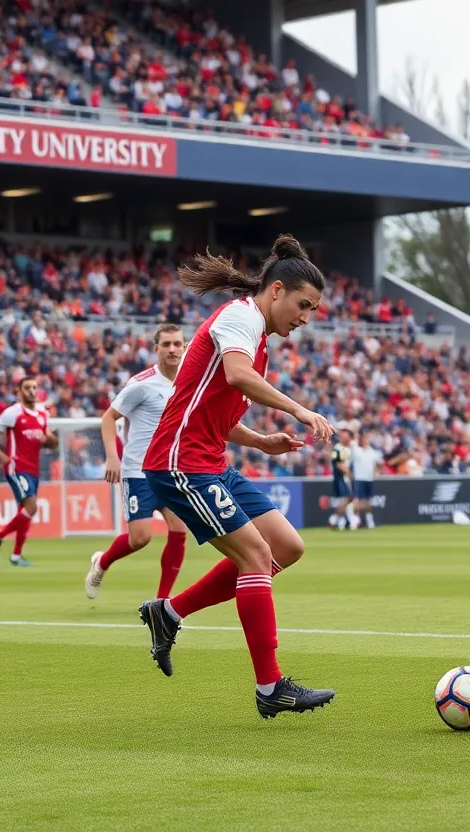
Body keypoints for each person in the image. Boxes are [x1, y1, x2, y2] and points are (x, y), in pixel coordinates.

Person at [138, 235, 337, 719]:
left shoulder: (256, 337)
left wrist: (262, 441)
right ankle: (271, 688)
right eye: (303, 305)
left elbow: (220, 414)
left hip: (211, 463)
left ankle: (168, 612)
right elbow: (237, 377)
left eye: (313, 309)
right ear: (275, 291)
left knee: (287, 547)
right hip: (179, 463)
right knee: (256, 556)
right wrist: (296, 409)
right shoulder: (241, 317)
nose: (306, 318)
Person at [86, 324, 190, 600]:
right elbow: (109, 418)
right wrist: (112, 457)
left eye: (177, 344)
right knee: (140, 538)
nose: (172, 349)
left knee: (180, 529)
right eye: (166, 344)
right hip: (139, 472)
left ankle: (161, 601)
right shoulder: (141, 383)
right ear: (156, 349)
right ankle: (102, 562)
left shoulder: (191, 380)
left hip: (171, 471)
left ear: (185, 347)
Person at [0, 376, 57, 566]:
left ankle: (16, 555)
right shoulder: (12, 413)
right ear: (19, 391)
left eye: (34, 387)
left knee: (24, 511)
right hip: (16, 467)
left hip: (34, 469)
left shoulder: (43, 414)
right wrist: (1, 456)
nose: (32, 391)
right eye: (27, 388)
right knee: (31, 508)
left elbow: (53, 443)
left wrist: (48, 440)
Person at [350, 432, 382, 528]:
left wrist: (376, 472)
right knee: (357, 501)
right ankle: (355, 520)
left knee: (368, 501)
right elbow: (352, 444)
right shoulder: (356, 450)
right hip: (359, 479)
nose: (366, 440)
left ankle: (369, 520)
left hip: (369, 479)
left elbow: (380, 463)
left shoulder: (372, 452)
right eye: (364, 438)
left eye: (367, 439)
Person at [327, 428, 355, 530]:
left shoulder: (347, 449)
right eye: (342, 435)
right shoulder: (339, 448)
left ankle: (345, 521)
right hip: (341, 477)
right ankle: (333, 520)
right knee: (348, 498)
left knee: (348, 499)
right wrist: (348, 474)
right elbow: (338, 463)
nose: (343, 437)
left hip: (344, 477)